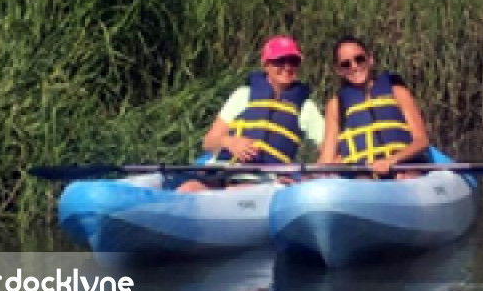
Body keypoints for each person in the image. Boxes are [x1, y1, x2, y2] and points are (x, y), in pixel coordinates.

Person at [178, 36, 324, 192]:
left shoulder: (306, 107)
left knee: (240, 190)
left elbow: (329, 148)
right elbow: (208, 141)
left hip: (265, 180)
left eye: (293, 61)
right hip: (222, 172)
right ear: (266, 65)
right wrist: (230, 142)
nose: (287, 67)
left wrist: (310, 176)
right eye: (280, 61)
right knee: (188, 188)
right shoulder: (243, 95)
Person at [317, 36, 430, 179]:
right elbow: (326, 159)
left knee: (408, 176)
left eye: (359, 59)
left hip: (403, 168)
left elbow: (421, 141)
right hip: (364, 176)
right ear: (339, 71)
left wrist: (391, 161)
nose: (354, 66)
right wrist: (311, 177)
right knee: (362, 180)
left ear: (370, 59)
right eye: (346, 64)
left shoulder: (397, 92)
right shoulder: (335, 105)